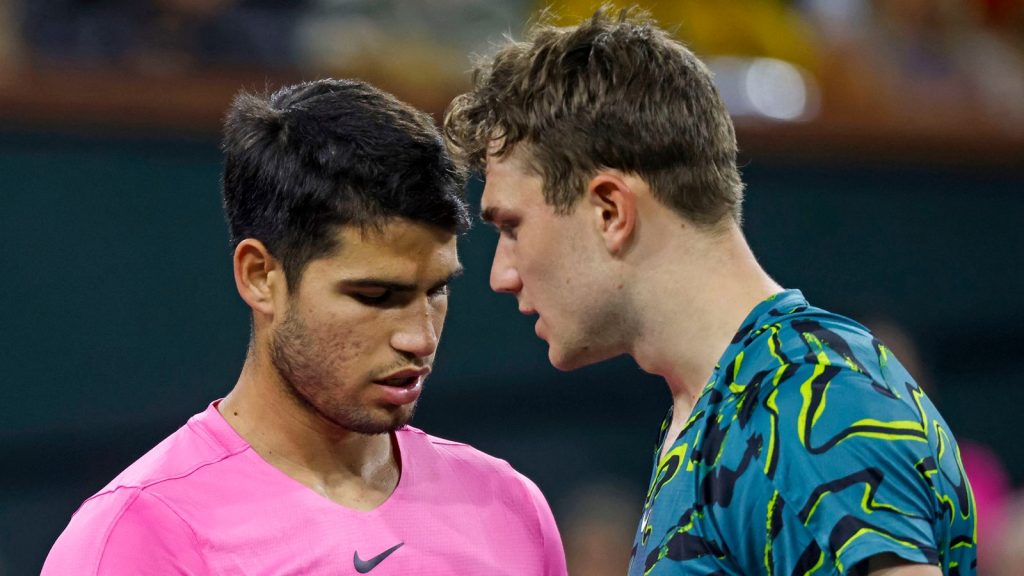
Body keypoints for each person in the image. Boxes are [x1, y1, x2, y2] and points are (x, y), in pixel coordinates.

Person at [444, 7, 977, 576]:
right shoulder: (726, 405)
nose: (501, 273)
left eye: (511, 227)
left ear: (609, 211)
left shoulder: (807, 404)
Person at [43, 78, 567, 575]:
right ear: (260, 277)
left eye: (436, 291)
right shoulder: (137, 536)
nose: (419, 338)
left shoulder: (511, 508)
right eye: (373, 296)